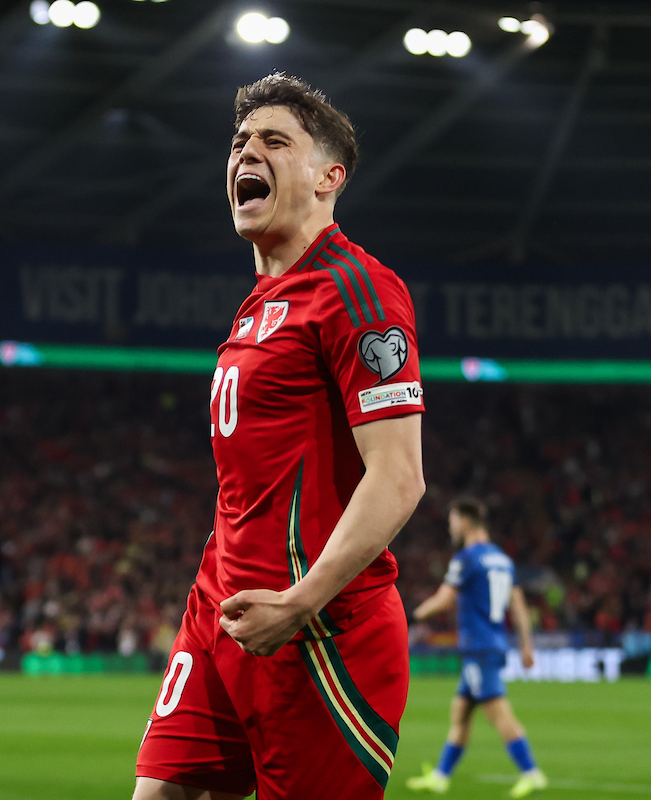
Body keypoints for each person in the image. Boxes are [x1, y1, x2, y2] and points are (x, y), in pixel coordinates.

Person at [132, 73, 426, 800]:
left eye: (272, 141)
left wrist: (298, 603)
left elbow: (398, 476)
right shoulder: (254, 307)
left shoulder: (356, 289)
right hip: (220, 610)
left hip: (320, 634)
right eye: (237, 143)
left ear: (330, 178)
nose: (245, 154)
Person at [406, 497, 547, 798]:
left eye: (453, 520)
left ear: (466, 521)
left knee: (498, 714)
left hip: (479, 646)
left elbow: (444, 600)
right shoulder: (502, 559)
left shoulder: (467, 558)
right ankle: (441, 777)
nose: (450, 527)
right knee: (460, 712)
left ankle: (531, 773)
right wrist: (526, 646)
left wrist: (411, 614)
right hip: (493, 643)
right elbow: (519, 606)